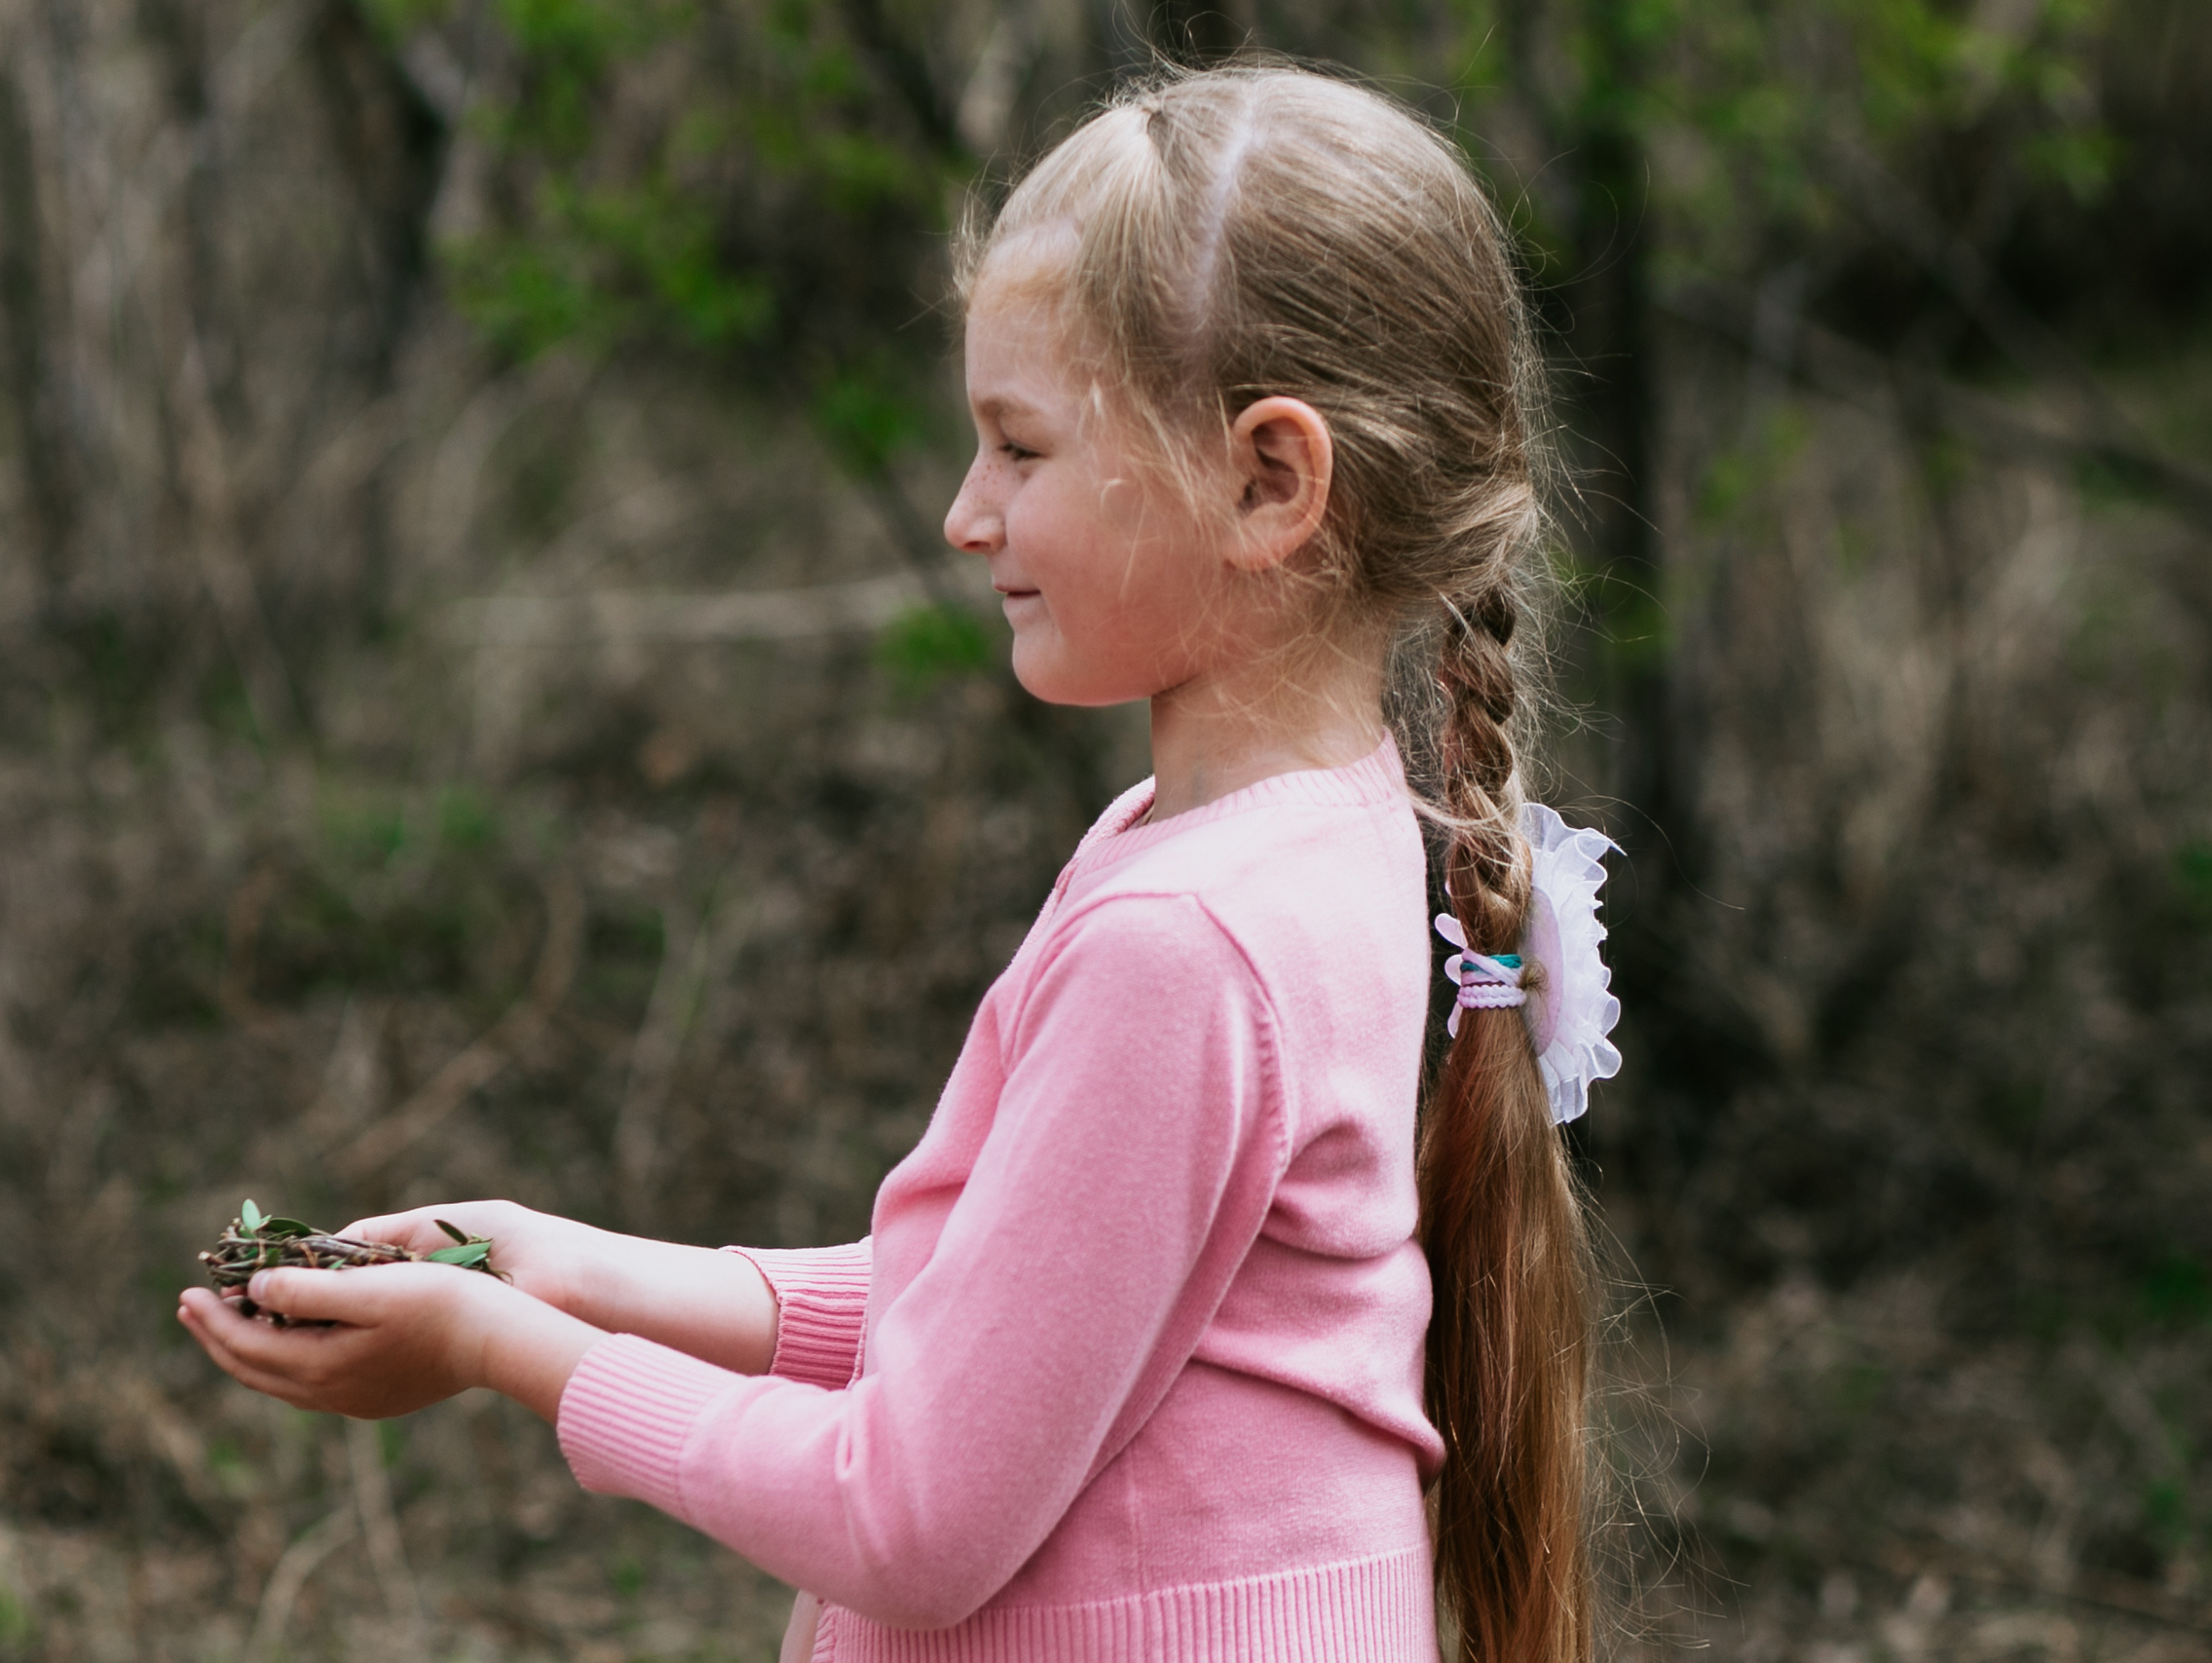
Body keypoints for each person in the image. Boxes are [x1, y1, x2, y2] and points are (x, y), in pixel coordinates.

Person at [179, 63, 1622, 1663]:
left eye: (1019, 447)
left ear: (1267, 482)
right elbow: (1020, 1315)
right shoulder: (1297, 835)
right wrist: (566, 1267)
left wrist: (502, 1344)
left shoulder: (1190, 943)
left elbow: (909, 1519)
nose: (962, 513)